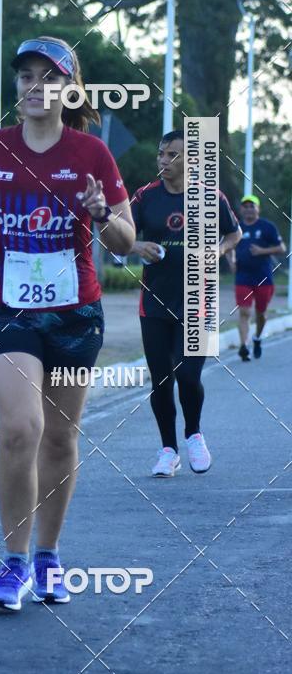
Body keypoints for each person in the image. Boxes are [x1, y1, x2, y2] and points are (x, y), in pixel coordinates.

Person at [0, 36, 135, 611]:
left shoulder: (92, 155)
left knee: (59, 437)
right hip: (6, 308)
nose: (35, 86)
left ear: (67, 89)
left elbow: (124, 241)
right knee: (19, 428)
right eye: (26, 76)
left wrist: (102, 213)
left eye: (49, 78)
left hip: (75, 311)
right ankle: (13, 562)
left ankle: (49, 556)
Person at [131, 130, 241, 478]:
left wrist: (219, 250)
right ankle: (168, 450)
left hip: (199, 300)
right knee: (161, 380)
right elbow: (114, 234)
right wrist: (137, 248)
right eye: (162, 154)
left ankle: (193, 433)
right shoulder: (145, 197)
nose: (164, 161)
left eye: (172, 155)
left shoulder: (211, 197)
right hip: (154, 303)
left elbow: (233, 233)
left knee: (188, 374)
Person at [227, 194, 286, 361]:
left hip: (263, 278)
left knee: (261, 313)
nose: (248, 209)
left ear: (258, 209)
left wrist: (262, 251)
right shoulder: (235, 227)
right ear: (241, 209)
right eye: (245, 206)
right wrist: (231, 261)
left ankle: (257, 338)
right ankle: (244, 346)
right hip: (243, 277)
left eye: (252, 206)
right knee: (244, 312)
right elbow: (227, 245)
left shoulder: (267, 227)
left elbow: (281, 247)